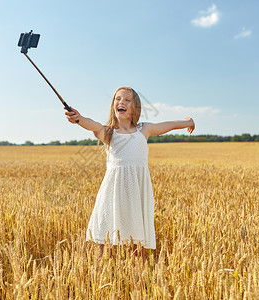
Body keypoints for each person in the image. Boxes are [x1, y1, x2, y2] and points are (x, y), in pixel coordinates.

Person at [65, 86, 195, 259]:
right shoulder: (108, 132)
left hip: (137, 191)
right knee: (105, 239)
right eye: (118, 99)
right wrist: (79, 119)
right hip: (113, 192)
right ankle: (103, 277)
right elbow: (92, 125)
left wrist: (188, 122)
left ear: (135, 108)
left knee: (137, 241)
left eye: (127, 100)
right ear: (113, 105)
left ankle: (138, 281)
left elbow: (167, 125)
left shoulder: (144, 130)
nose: (122, 102)